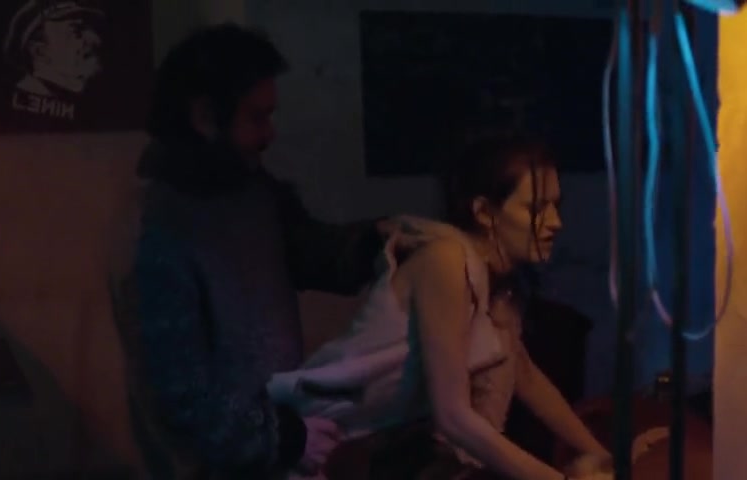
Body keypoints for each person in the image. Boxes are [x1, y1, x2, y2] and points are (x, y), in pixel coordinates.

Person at [121, 23, 418, 480]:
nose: (270, 133)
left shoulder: (251, 189)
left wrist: (386, 239)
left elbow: (314, 252)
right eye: (257, 117)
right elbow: (182, 396)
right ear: (204, 117)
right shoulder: (160, 230)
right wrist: (285, 439)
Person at [269, 134, 613, 480]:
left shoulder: (498, 285)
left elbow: (524, 374)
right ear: (484, 212)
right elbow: (453, 416)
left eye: (556, 206)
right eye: (537, 208)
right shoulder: (447, 261)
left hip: (365, 448)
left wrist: (602, 456)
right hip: (313, 443)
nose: (555, 222)